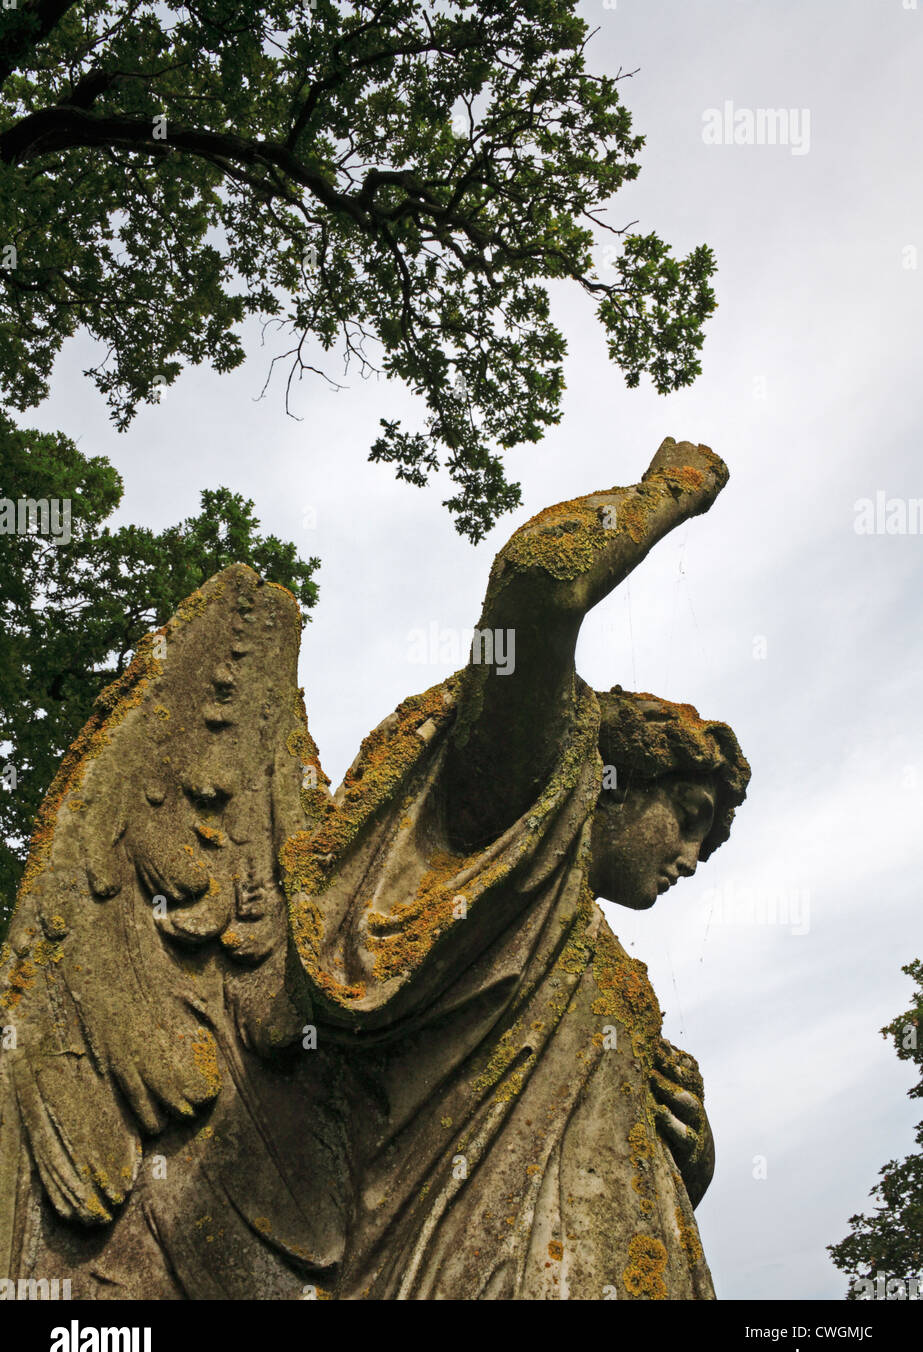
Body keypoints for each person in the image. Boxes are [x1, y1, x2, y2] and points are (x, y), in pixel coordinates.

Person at [0, 438, 748, 1300]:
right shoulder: (515, 805)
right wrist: (669, 493)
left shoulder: (599, 965)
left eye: (710, 846)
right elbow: (536, 586)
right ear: (614, 777)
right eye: (687, 820)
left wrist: (687, 1154)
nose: (690, 858)